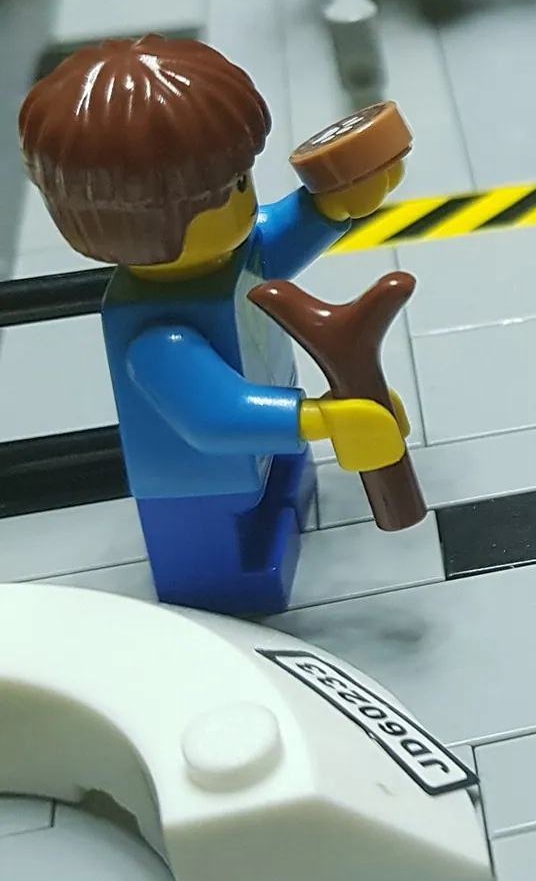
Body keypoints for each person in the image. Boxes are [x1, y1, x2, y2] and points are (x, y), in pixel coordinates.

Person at [18, 35, 409, 615]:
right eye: (228, 190)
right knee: (228, 559)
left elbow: (268, 245)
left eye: (242, 177)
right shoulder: (159, 334)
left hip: (269, 450)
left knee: (280, 489)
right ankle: (226, 595)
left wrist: (330, 207)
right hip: (198, 488)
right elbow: (215, 416)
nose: (247, 199)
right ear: (146, 222)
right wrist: (323, 419)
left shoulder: (228, 256)